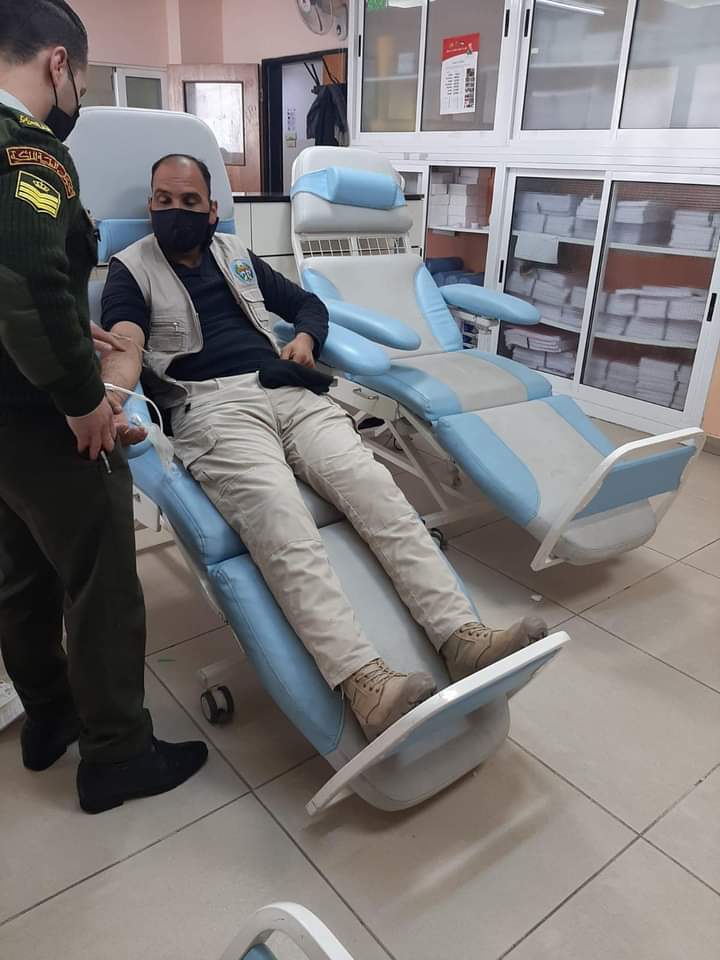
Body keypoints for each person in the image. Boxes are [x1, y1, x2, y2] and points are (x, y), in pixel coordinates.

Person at [101, 154, 548, 741]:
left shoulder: (235, 255)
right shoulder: (131, 269)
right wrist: (113, 396)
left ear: (212, 211)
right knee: (283, 522)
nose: (175, 212)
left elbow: (306, 306)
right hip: (212, 409)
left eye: (190, 202)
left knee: (379, 494)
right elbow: (125, 342)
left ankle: (460, 637)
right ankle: (365, 683)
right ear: (151, 206)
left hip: (287, 388)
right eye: (164, 200)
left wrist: (307, 339)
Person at [0, 0, 208, 813]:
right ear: (58, 63)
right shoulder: (30, 152)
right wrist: (83, 398)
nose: (75, 99)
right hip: (38, 415)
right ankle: (117, 754)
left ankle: (50, 717)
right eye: (81, 84)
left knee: (19, 573)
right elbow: (25, 275)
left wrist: (61, 328)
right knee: (103, 580)